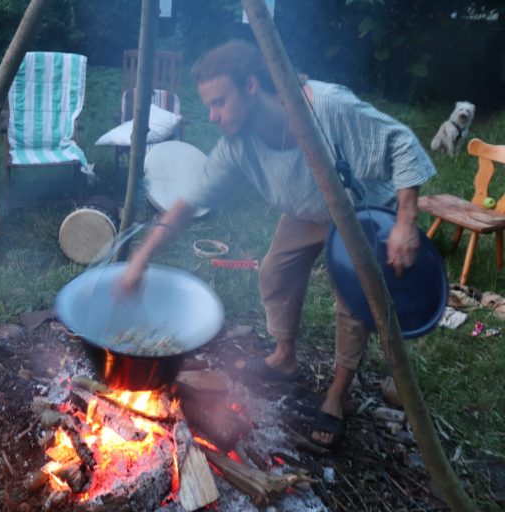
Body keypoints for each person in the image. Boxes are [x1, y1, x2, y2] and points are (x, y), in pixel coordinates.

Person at [121, 40, 436, 449]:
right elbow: (187, 203)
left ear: (252, 85)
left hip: (357, 210)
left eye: (219, 103)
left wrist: (407, 221)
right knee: (275, 272)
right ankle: (284, 357)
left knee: (352, 304)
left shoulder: (326, 108)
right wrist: (140, 259)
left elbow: (403, 142)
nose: (212, 117)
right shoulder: (237, 143)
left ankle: (336, 396)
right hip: (306, 209)